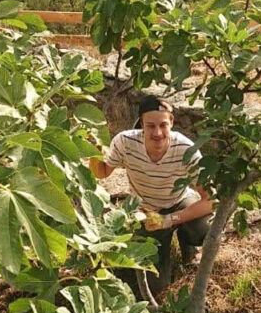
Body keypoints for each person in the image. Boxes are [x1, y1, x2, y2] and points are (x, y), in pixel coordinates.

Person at [90, 96, 213, 294]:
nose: (157, 133)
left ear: (172, 122)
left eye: (163, 125)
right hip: (145, 211)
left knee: (203, 229)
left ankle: (188, 246)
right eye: (150, 126)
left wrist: (170, 219)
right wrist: (92, 151)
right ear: (141, 124)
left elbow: (210, 202)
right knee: (157, 286)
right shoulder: (125, 142)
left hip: (179, 201)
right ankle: (164, 246)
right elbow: (102, 172)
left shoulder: (186, 150)